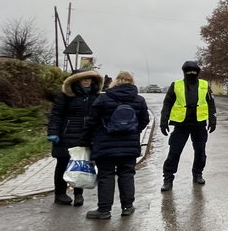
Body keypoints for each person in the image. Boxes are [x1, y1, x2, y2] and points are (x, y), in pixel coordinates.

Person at [81, 71, 150, 219]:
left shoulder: (103, 98)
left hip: (105, 144)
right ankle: (127, 207)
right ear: (132, 82)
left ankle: (104, 210)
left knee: (106, 176)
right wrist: (134, 131)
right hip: (129, 146)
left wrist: (85, 141)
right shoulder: (139, 100)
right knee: (127, 174)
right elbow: (145, 120)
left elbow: (92, 122)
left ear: (116, 82)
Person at [47, 69, 103, 206]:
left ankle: (79, 194)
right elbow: (56, 115)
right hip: (66, 135)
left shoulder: (96, 96)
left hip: (86, 134)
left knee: (82, 163)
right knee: (62, 164)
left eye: (89, 78)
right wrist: (53, 132)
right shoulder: (65, 95)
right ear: (76, 80)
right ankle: (60, 194)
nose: (87, 81)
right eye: (84, 79)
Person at [159, 60, 217, 192]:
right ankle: (168, 179)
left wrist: (213, 120)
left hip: (199, 125)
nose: (192, 73)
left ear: (197, 72)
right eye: (189, 71)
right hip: (181, 125)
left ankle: (197, 174)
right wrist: (164, 122)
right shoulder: (176, 85)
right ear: (184, 72)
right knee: (174, 152)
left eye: (194, 71)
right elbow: (167, 104)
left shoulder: (204, 85)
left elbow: (210, 103)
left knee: (200, 152)